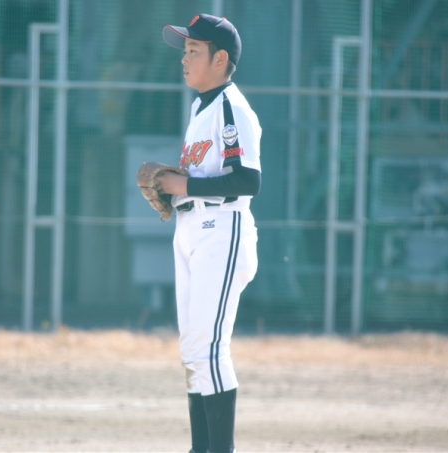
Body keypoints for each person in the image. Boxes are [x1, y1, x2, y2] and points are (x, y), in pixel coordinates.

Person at [157, 14, 262, 453]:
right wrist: (175, 194)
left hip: (222, 229)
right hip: (192, 228)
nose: (184, 58)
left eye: (193, 50)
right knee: (193, 350)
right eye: (184, 50)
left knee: (209, 348)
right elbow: (201, 176)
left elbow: (248, 180)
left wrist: (184, 187)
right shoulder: (200, 108)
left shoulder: (231, 108)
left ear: (220, 59)